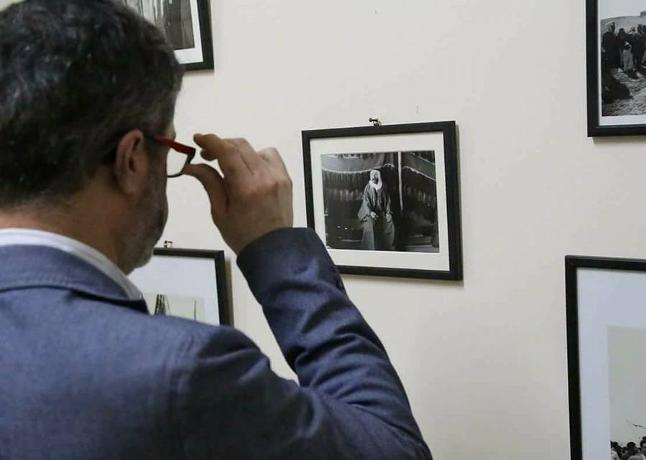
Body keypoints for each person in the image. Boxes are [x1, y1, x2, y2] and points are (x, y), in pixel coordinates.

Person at [0, 1, 431, 459]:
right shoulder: (177, 372)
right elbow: (394, 449)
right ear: (132, 160)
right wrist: (276, 251)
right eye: (169, 146)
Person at [357, 169, 395, 250]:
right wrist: (370, 212)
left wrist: (388, 213)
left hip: (382, 213)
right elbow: (365, 202)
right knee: (370, 223)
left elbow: (388, 201)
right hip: (369, 213)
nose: (374, 177)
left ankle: (388, 246)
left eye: (376, 175)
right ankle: (370, 248)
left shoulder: (383, 187)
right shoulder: (368, 187)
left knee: (389, 221)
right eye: (373, 175)